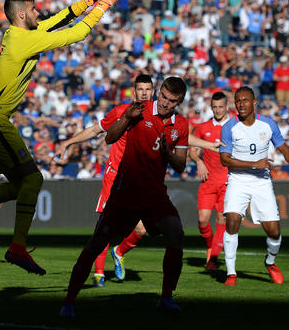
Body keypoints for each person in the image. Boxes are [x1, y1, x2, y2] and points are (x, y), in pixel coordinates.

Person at [0, 0, 128, 275]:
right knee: (33, 181)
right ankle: (16, 247)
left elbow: (56, 20)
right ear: (21, 14)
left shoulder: (19, 34)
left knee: (21, 185)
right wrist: (105, 4)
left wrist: (89, 1)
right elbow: (76, 34)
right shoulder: (24, 39)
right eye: (33, 8)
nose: (38, 11)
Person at [55, 74, 222, 287]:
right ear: (134, 91)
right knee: (102, 231)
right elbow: (98, 130)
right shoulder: (126, 110)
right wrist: (68, 142)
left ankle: (121, 254)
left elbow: (179, 137)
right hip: (118, 176)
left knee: (144, 230)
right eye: (140, 89)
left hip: (148, 183)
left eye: (148, 89)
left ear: (153, 91)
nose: (144, 93)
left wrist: (206, 146)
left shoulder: (169, 119)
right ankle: (98, 274)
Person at [61, 77, 190, 318]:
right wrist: (127, 118)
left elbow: (181, 164)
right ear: (158, 92)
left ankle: (165, 299)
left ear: (179, 101)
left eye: (171, 101)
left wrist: (167, 154)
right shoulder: (138, 111)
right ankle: (69, 301)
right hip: (125, 193)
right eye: (163, 96)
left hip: (155, 196)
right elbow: (109, 137)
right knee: (96, 244)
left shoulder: (181, 125)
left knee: (176, 234)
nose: (164, 103)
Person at [219, 86, 289, 287]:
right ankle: (231, 274)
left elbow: (283, 148)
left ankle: (270, 262)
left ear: (254, 103)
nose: (241, 104)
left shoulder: (268, 125)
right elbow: (224, 160)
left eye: (245, 100)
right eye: (237, 101)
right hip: (238, 180)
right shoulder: (229, 127)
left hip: (261, 181)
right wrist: (253, 164)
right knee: (232, 220)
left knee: (274, 231)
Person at [189, 91, 230, 271]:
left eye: (221, 107)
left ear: (227, 107)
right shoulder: (203, 127)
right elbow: (192, 149)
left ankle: (212, 259)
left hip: (228, 182)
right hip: (208, 181)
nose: (218, 110)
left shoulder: (235, 127)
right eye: (215, 107)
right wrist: (198, 162)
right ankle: (211, 245)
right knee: (202, 220)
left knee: (222, 219)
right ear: (211, 107)